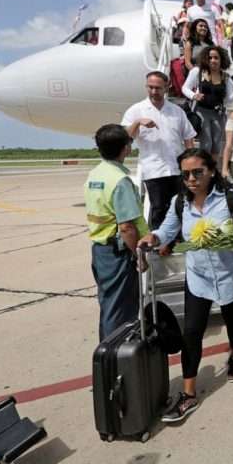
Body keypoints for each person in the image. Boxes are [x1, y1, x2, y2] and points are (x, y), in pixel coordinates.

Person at [138, 148, 233, 422]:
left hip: (229, 272)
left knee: (232, 317)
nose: (191, 178)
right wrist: (152, 238)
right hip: (198, 277)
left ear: (211, 170)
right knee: (192, 332)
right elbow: (167, 230)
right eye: (185, 173)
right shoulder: (180, 203)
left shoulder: (232, 198)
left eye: (197, 172)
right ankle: (189, 394)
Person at [84, 124, 148, 341]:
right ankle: (117, 357)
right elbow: (127, 227)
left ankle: (108, 355)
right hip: (118, 253)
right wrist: (138, 255)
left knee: (108, 304)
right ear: (126, 148)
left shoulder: (95, 174)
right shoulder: (120, 181)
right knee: (121, 310)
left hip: (100, 250)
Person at [121, 71, 196, 231]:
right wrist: (138, 123)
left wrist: (192, 164)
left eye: (158, 88)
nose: (154, 91)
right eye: (151, 87)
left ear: (167, 87)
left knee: (181, 206)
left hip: (177, 168)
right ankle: (159, 242)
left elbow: (189, 137)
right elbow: (125, 137)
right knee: (159, 208)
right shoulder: (136, 110)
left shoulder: (177, 111)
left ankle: (179, 241)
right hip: (154, 169)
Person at [182, 46, 233, 164]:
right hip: (202, 111)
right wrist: (193, 95)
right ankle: (204, 169)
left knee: (217, 145)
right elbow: (185, 88)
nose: (213, 60)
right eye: (210, 57)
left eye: (216, 58)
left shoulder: (225, 76)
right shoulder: (197, 72)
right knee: (206, 143)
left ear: (221, 60)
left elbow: (228, 99)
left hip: (218, 113)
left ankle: (212, 170)